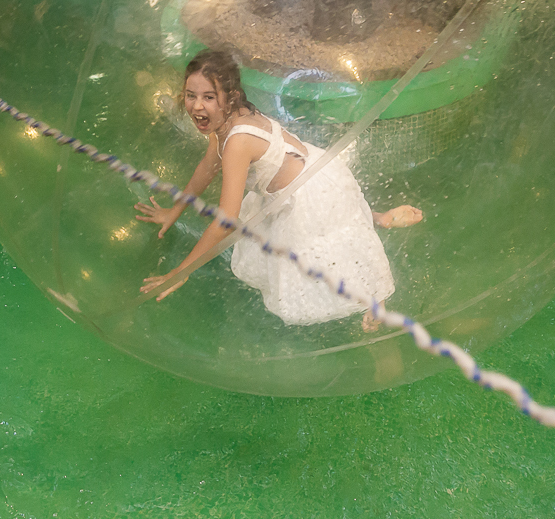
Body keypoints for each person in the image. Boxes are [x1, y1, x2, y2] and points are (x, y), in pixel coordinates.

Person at [136, 50, 422, 326]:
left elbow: (226, 221)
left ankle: (376, 297)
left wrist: (181, 272)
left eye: (209, 97)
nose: (197, 106)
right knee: (338, 219)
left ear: (230, 97)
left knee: (333, 250)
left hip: (310, 193)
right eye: (191, 95)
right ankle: (379, 217)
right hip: (309, 173)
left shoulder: (237, 141)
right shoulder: (225, 120)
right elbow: (207, 168)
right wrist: (173, 212)